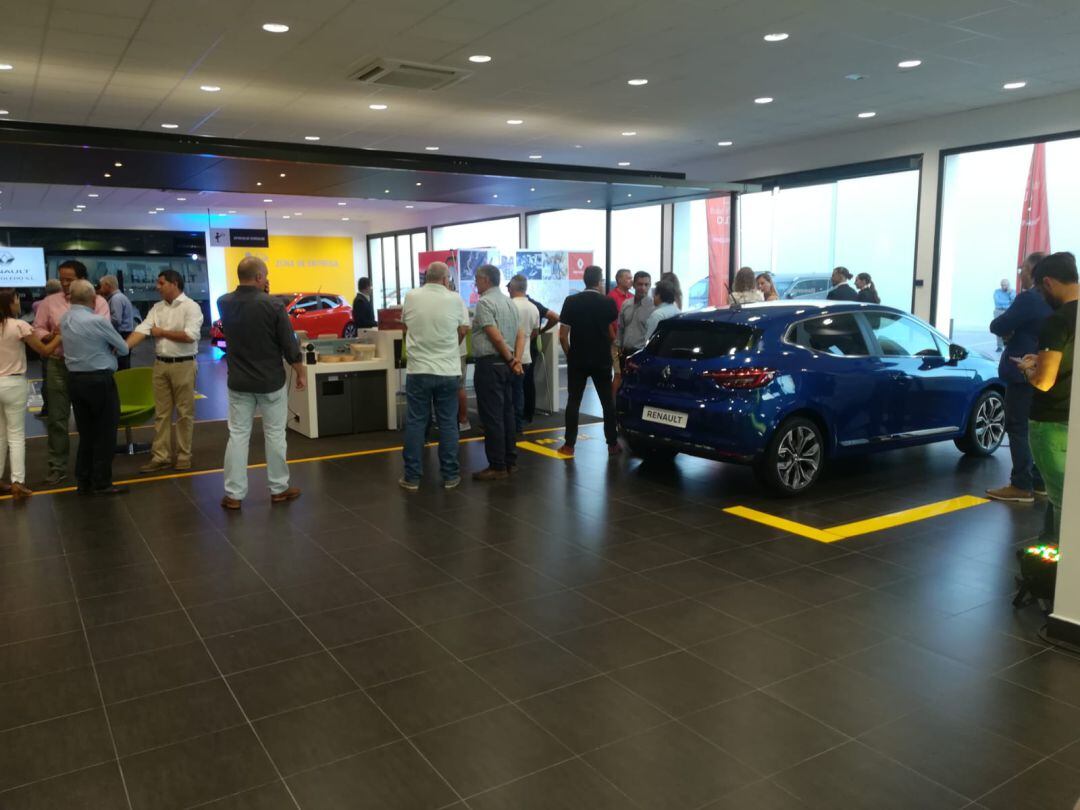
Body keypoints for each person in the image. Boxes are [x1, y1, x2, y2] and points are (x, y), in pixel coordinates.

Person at [217, 257, 305, 510]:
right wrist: (299, 370)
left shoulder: (223, 302)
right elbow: (288, 343)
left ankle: (233, 494)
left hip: (239, 380)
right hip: (270, 381)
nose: (266, 280)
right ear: (258, 278)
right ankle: (279, 489)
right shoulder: (273, 305)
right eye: (265, 276)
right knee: (275, 434)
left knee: (237, 435)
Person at [1015, 252, 1077, 541]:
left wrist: (1029, 369)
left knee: (1062, 501)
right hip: (1071, 417)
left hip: (1051, 423)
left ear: (1049, 282)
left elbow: (1044, 382)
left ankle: (1058, 576)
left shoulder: (1059, 321)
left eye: (1041, 289)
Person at [32, 260, 110, 486]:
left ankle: (94, 467)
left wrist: (66, 330)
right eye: (62, 278)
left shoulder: (98, 302)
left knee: (92, 420)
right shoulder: (50, 302)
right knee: (57, 418)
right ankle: (57, 467)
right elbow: (38, 328)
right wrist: (49, 336)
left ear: (82, 279)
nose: (64, 283)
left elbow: (102, 329)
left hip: (89, 367)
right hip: (58, 364)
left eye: (69, 279)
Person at [986, 252, 1051, 504]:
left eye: (1023, 268)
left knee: (1018, 427)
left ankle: (1021, 484)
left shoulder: (1028, 299)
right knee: (1035, 428)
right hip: (1044, 371)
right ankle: (1038, 480)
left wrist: (1010, 329)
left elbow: (998, 325)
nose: (1019, 272)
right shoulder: (1055, 302)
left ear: (1033, 271)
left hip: (1022, 372)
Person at [125, 269, 204, 473]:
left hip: (184, 364)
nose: (157, 287)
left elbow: (191, 335)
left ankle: (184, 455)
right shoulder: (157, 308)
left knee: (185, 413)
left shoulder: (191, 307)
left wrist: (162, 333)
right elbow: (142, 329)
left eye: (161, 283)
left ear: (174, 283)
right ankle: (161, 456)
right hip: (160, 365)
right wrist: (123, 348)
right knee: (161, 414)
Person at [399, 261, 470, 490]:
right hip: (448, 370)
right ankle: (450, 475)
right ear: (445, 279)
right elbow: (463, 329)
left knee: (416, 422)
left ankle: (412, 478)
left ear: (426, 277)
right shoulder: (455, 299)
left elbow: (406, 327)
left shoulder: (411, 296)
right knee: (448, 423)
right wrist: (450, 347)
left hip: (418, 370)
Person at [59, 280, 130, 496]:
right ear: (93, 299)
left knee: (86, 432)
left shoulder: (65, 319)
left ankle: (83, 480)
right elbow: (124, 348)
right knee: (105, 432)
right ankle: (102, 482)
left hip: (75, 380)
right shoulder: (97, 321)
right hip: (99, 380)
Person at [0, 289, 62, 499]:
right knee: (16, 435)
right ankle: (18, 481)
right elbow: (44, 351)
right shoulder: (20, 326)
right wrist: (59, 337)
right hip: (14, 383)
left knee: (0, 434)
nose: (19, 303)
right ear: (9, 303)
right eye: (17, 300)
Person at [558, 265, 619, 458]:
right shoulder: (608, 302)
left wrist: (570, 355)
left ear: (584, 280)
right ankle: (612, 444)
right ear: (599, 281)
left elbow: (562, 336)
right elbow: (611, 332)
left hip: (578, 359)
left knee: (574, 402)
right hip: (601, 359)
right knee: (607, 403)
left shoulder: (571, 301)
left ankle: (569, 445)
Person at [470, 264, 524, 480]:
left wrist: (512, 359)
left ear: (485, 280)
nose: (475, 283)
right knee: (507, 414)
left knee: (492, 417)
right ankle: (510, 461)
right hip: (507, 366)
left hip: (490, 365)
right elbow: (521, 334)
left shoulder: (485, 302)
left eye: (477, 279)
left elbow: (494, 336)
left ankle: (497, 465)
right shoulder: (509, 302)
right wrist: (516, 360)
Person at [508, 274, 540, 434]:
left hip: (509, 356)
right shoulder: (533, 307)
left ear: (512, 288)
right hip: (526, 356)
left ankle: (509, 424)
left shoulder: (509, 305)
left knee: (508, 393)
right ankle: (518, 425)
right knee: (519, 391)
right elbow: (535, 332)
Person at [523, 294, 559, 423]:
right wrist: (541, 331)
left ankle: (524, 413)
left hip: (525, 347)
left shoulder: (521, 304)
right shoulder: (535, 304)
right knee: (528, 379)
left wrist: (541, 331)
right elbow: (555, 317)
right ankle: (528, 413)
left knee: (523, 381)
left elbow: (555, 317)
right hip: (532, 347)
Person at [32, 278, 62, 419]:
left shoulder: (38, 304)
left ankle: (48, 410)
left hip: (48, 348)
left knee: (48, 381)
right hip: (62, 349)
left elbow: (38, 328)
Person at [99, 275, 134, 370]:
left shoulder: (116, 299)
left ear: (108, 285)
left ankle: (122, 383)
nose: (101, 289)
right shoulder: (120, 297)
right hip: (125, 334)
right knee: (124, 362)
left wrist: (100, 322)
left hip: (121, 335)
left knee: (121, 364)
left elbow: (116, 319)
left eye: (102, 286)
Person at [617, 271, 655, 359]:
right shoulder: (626, 304)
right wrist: (619, 350)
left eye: (646, 284)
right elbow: (620, 329)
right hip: (624, 352)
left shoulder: (654, 307)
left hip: (642, 354)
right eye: (640, 284)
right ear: (633, 285)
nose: (643, 288)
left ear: (650, 285)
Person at [993, 278, 1016, 351]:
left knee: (1008, 329)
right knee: (998, 328)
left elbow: (1013, 300)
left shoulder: (1012, 292)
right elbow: (998, 302)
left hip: (1008, 311)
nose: (1004, 287)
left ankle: (1007, 346)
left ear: (1008, 285)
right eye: (1002, 285)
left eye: (1005, 285)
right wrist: (1008, 302)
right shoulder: (997, 292)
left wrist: (1009, 293)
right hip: (998, 311)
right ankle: (999, 346)